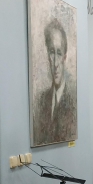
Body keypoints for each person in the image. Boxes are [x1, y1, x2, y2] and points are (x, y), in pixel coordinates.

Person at [33, 18, 77, 146]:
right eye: (52, 52)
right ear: (48, 55)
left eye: (59, 53)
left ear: (65, 57)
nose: (56, 63)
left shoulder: (74, 101)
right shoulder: (41, 101)